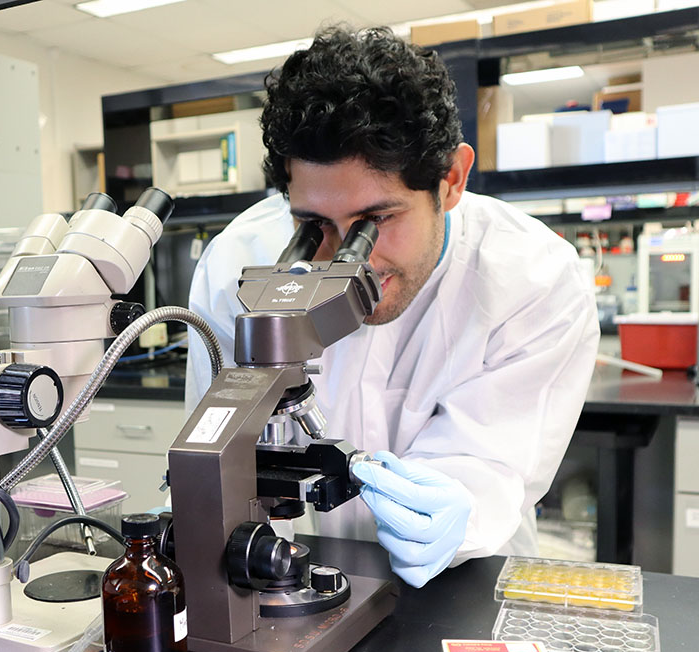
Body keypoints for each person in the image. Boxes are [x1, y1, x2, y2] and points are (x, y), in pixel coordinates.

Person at [184, 26, 600, 588]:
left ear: (450, 179)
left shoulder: (534, 279)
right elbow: (221, 447)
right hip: (287, 572)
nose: (351, 259)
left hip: (459, 577)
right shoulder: (238, 261)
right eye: (313, 225)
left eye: (376, 221)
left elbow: (492, 464)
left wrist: (454, 510)